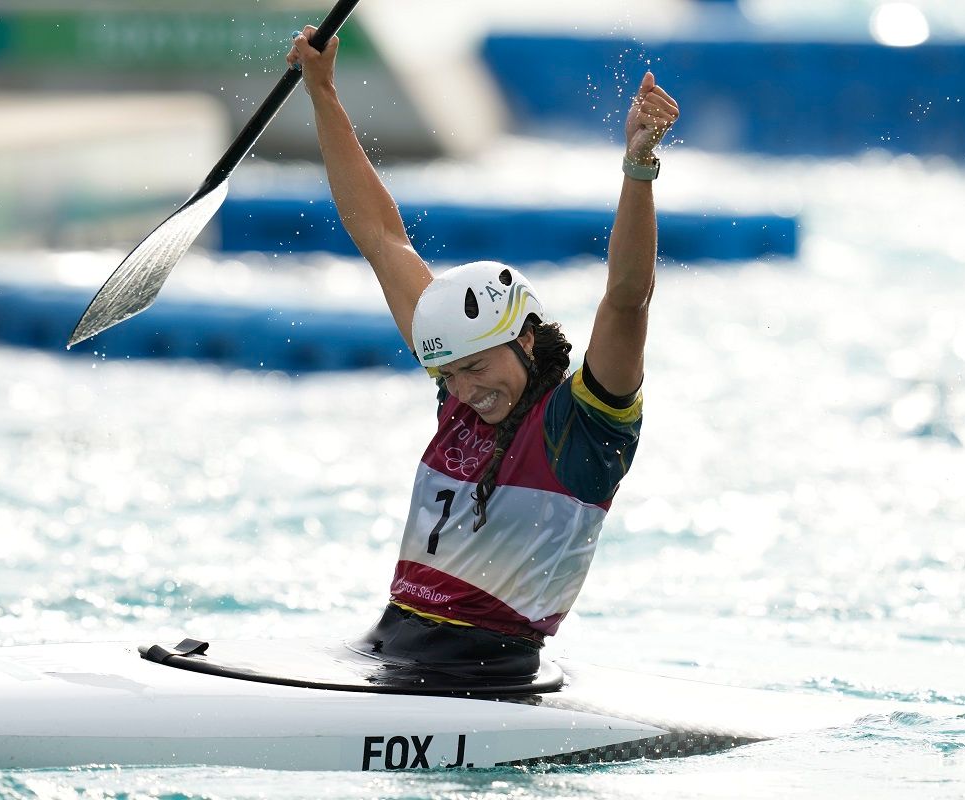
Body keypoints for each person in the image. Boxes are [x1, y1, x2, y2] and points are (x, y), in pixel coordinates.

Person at [287, 28, 679, 682]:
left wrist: (638, 170)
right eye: (448, 375)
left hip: (481, 674)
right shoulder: (460, 376)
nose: (464, 390)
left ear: (526, 337)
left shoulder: (586, 426)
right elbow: (382, 237)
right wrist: (323, 90)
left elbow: (628, 297)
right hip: (391, 645)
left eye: (475, 368)